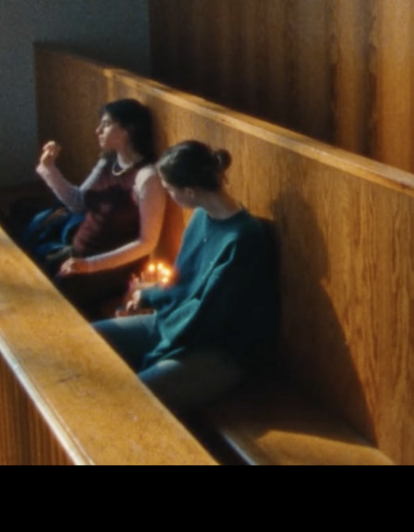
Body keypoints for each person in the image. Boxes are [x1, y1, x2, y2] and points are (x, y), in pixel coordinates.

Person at [93, 140, 278, 414]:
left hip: (216, 349)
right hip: (178, 324)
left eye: (169, 189)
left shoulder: (243, 237)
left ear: (189, 191)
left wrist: (157, 323)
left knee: (134, 401)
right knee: (89, 341)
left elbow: (208, 311)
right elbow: (182, 282)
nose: (168, 195)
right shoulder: (201, 216)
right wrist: (145, 294)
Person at [25, 99, 167, 318]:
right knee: (26, 278)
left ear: (128, 130)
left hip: (111, 269)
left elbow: (147, 242)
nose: (98, 130)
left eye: (106, 124)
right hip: (79, 255)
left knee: (47, 308)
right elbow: (78, 203)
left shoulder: (146, 177)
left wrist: (90, 266)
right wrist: (49, 168)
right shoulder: (108, 162)